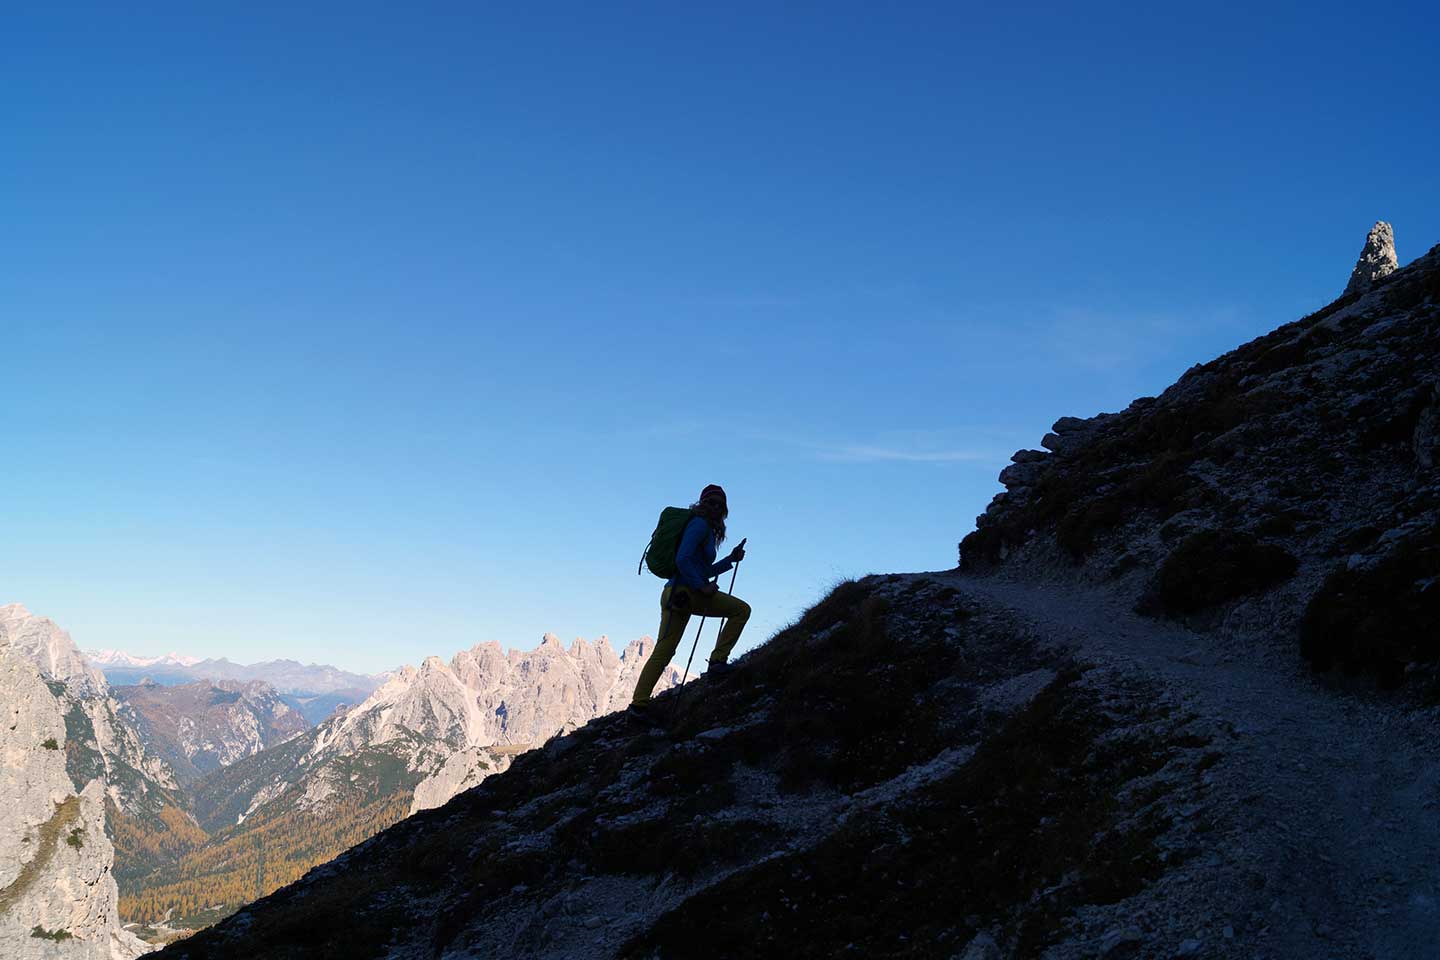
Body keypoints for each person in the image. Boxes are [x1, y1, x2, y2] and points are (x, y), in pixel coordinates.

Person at [631, 484, 749, 709]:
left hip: (674, 594)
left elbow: (700, 568)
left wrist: (730, 560)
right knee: (741, 611)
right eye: (711, 502)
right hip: (686, 593)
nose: (715, 507)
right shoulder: (700, 525)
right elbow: (682, 559)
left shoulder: (702, 527)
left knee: (664, 650)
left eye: (720, 505)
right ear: (702, 503)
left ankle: (639, 705)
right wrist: (701, 587)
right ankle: (717, 662)